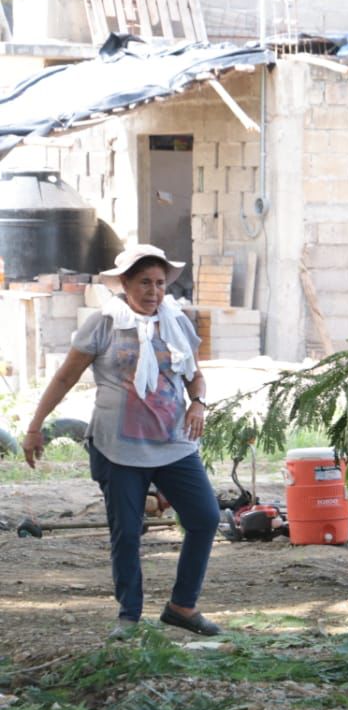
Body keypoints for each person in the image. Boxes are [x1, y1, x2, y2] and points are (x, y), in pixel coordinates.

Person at [22, 244, 222, 638]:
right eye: (144, 282)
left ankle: (182, 606)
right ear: (125, 284)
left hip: (172, 442)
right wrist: (35, 425)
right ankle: (129, 615)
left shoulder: (176, 322)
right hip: (118, 446)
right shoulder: (105, 323)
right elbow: (64, 377)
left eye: (160, 283)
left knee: (205, 517)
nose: (153, 291)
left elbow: (193, 375)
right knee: (127, 531)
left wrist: (197, 403)